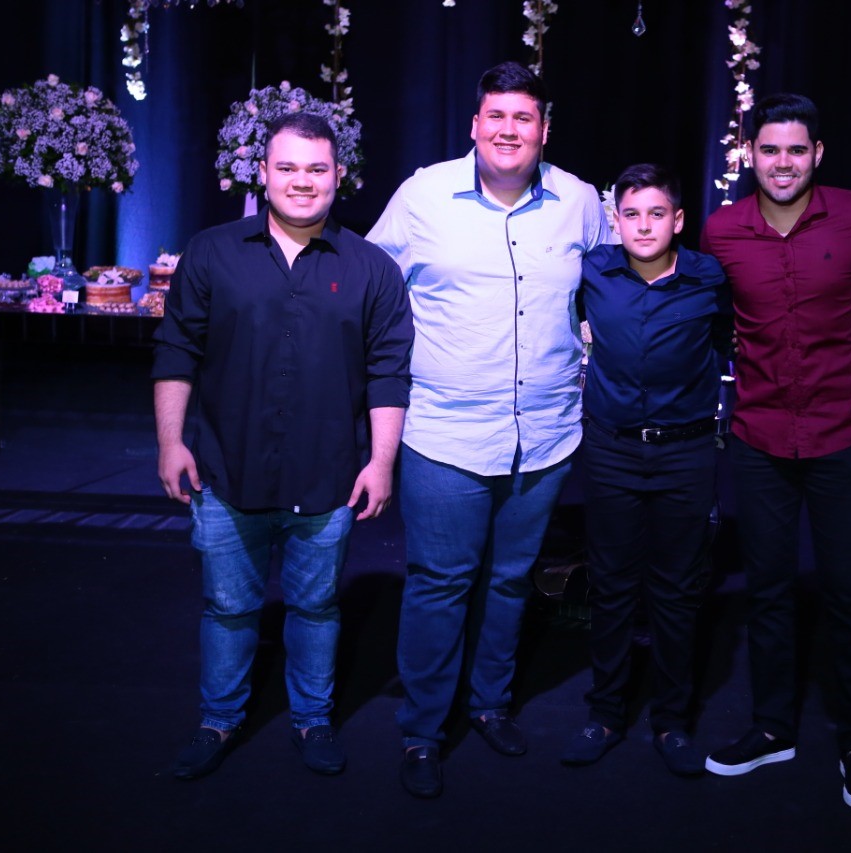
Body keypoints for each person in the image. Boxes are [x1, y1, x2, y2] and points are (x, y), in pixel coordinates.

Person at [366, 60, 610, 799]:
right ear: (475, 124)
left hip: (545, 435)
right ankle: (422, 729)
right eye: (496, 116)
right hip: (445, 433)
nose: (509, 130)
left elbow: (607, 289)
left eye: (523, 118)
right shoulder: (423, 195)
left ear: (544, 130)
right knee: (440, 584)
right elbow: (373, 289)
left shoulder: (579, 202)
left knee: (509, 581)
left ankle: (490, 703)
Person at [152, 111, 414, 780]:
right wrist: (170, 443)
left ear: (339, 176)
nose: (303, 180)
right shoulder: (211, 252)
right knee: (228, 609)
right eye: (288, 167)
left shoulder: (372, 268)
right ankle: (218, 720)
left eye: (317, 168)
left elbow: (389, 372)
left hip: (328, 477)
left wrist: (382, 461)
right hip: (224, 471)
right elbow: (177, 351)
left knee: (317, 608)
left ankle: (312, 719)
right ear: (263, 173)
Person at [699, 93, 851, 810]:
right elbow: (715, 314)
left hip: (843, 433)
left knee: (848, 592)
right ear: (752, 154)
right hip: (760, 438)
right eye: (770, 149)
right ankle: (773, 727)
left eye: (796, 150)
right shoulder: (722, 229)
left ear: (817, 154)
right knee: (769, 588)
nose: (783, 163)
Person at [558, 163, 731, 776]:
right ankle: (605, 713)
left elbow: (731, 340)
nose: (644, 225)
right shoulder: (594, 271)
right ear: (616, 220)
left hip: (686, 452)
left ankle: (672, 721)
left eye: (657, 213)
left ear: (678, 220)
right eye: (631, 214)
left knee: (678, 589)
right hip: (611, 450)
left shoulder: (709, 277)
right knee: (610, 585)